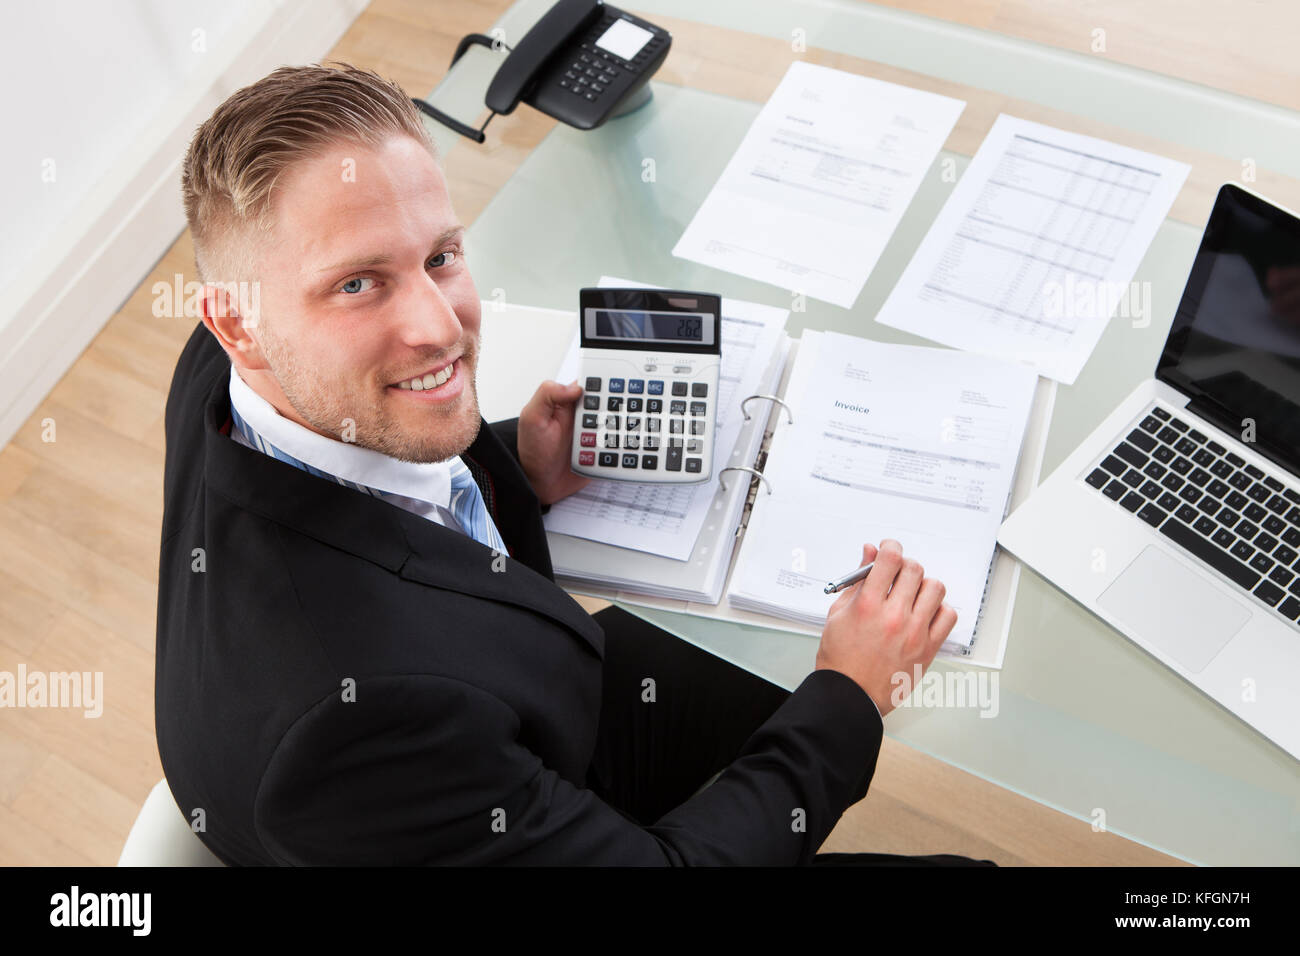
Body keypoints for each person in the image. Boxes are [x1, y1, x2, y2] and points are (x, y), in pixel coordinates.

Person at [154, 61, 991, 866]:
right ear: (237, 326)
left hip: (527, 715)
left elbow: (372, 459)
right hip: (480, 779)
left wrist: (516, 463)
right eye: (358, 285)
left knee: (765, 639)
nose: (442, 327)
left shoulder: (226, 372)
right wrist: (850, 700)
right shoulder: (353, 727)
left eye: (441, 255)